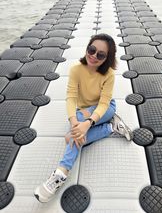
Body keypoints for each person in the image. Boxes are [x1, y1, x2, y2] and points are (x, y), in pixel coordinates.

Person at [34, 33, 132, 203]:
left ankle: (61, 172)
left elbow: (104, 102)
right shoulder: (76, 70)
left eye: (100, 54)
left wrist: (88, 123)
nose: (93, 56)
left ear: (107, 58)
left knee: (73, 136)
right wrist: (75, 123)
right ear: (87, 48)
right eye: (92, 50)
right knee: (75, 134)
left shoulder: (108, 74)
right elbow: (71, 97)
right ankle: (111, 128)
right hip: (83, 111)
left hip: (106, 108)